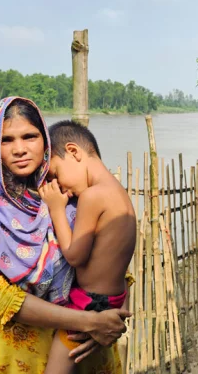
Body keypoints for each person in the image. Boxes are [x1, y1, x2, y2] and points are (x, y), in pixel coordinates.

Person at [0, 97, 131, 374]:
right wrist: (90, 323)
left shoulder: (68, 191)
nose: (20, 149)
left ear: (44, 139)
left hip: (86, 349)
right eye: (6, 140)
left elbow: (113, 266)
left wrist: (111, 320)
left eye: (30, 136)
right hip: (18, 359)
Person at [40, 120, 137, 374]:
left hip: (89, 304)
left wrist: (57, 209)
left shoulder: (93, 196)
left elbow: (74, 255)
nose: (60, 188)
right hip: (112, 300)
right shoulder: (119, 192)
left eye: (55, 174)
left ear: (73, 152)